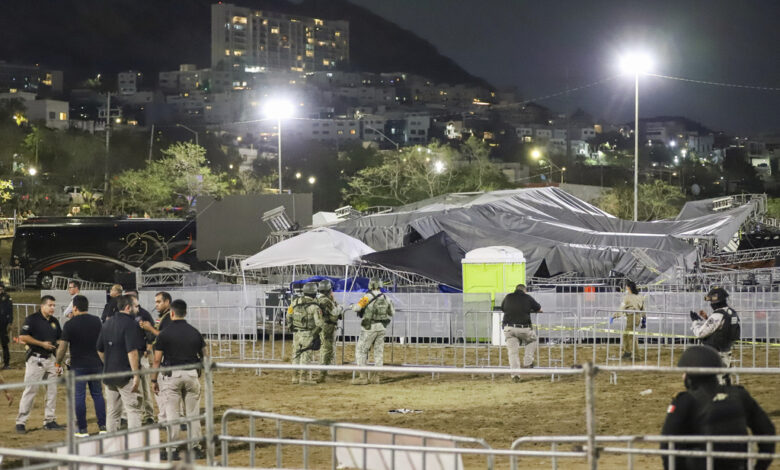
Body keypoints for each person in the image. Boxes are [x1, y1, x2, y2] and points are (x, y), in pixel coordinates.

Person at [660, 345, 775, 470]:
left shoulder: (685, 400)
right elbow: (767, 431)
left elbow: (667, 445)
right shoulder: (739, 394)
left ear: (690, 375)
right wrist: (759, 467)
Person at [151, 299, 207, 460]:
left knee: (172, 414)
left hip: (171, 376)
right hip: (191, 374)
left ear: (172, 313)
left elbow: (157, 360)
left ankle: (172, 449)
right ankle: (195, 448)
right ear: (186, 313)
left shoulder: (164, 334)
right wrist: (198, 371)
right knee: (193, 414)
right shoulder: (195, 332)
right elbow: (205, 356)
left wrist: (154, 380)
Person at [54, 295, 107, 437]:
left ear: (75, 308)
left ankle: (83, 430)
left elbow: (62, 348)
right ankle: (103, 427)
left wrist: (57, 362)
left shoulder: (70, 324)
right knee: (98, 395)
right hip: (96, 364)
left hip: (78, 366)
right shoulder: (96, 321)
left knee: (79, 396)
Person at [15, 295, 65, 433]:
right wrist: (41, 344)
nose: (53, 308)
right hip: (35, 360)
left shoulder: (54, 321)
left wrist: (58, 363)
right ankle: (21, 422)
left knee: (52, 391)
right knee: (30, 390)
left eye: (54, 305)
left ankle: (50, 420)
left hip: (51, 359)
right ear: (42, 306)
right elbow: (23, 336)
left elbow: (60, 340)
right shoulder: (32, 319)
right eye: (50, 305)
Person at [97, 294, 143, 433]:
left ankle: (112, 443)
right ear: (128, 307)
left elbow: (99, 349)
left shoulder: (107, 323)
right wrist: (136, 375)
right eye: (136, 306)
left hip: (109, 374)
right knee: (133, 410)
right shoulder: (131, 324)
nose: (138, 309)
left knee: (112, 412)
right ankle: (135, 443)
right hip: (126, 375)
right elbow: (132, 352)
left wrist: (108, 363)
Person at [690, 286, 740, 384]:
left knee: (716, 382)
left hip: (715, 354)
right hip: (726, 351)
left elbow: (700, 333)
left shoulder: (718, 315)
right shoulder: (731, 312)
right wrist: (707, 318)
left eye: (711, 301)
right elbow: (722, 327)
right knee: (726, 379)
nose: (710, 304)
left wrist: (694, 322)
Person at [140, 291, 174, 423]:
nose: (156, 305)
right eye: (155, 302)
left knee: (164, 391)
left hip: (165, 359)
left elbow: (166, 337)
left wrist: (150, 328)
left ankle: (166, 419)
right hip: (162, 357)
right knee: (163, 392)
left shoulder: (169, 317)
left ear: (167, 302)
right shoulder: (163, 317)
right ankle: (166, 417)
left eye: (159, 302)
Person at [352, 278, 394, 385]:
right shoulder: (386, 297)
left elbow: (357, 308)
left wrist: (351, 306)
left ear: (371, 285)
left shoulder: (367, 296)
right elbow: (392, 313)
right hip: (382, 327)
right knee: (378, 352)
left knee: (361, 351)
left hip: (369, 327)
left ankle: (363, 377)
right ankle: (376, 377)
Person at [500, 284, 541, 383]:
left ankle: (515, 375)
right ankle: (528, 362)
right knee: (533, 339)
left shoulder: (508, 297)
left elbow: (503, 308)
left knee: (512, 353)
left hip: (509, 329)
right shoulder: (527, 297)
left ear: (515, 289)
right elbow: (538, 308)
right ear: (524, 290)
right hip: (523, 328)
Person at [126, 290, 156, 425]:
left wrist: (148, 347)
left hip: (141, 353)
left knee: (145, 385)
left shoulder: (144, 314)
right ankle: (130, 415)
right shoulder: (125, 315)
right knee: (128, 385)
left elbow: (151, 332)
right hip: (127, 354)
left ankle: (149, 415)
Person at [289, 282, 323, 384]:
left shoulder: (294, 302)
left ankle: (294, 377)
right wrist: (315, 334)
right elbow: (319, 323)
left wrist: (292, 328)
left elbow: (288, 316)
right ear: (314, 293)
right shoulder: (315, 307)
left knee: (296, 354)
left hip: (296, 333)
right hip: (308, 333)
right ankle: (303, 378)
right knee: (305, 355)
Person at [316, 280, 342, 383]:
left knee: (326, 349)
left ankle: (324, 371)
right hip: (327, 327)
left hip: (324, 326)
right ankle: (322, 373)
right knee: (326, 350)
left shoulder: (319, 299)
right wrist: (340, 307)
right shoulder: (326, 301)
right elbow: (335, 312)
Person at [612, 279, 646, 360]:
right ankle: (627, 352)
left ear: (628, 288)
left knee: (631, 336)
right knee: (626, 335)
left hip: (631, 318)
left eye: (626, 286)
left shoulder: (627, 297)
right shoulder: (640, 296)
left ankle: (636, 355)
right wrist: (644, 319)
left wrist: (614, 316)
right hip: (637, 317)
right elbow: (643, 309)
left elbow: (621, 308)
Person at [0, 283, 12, 369]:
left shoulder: (7, 297)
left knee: (4, 344)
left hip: (3, 324)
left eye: (1, 289)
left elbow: (10, 311)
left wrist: (10, 322)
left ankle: (6, 363)